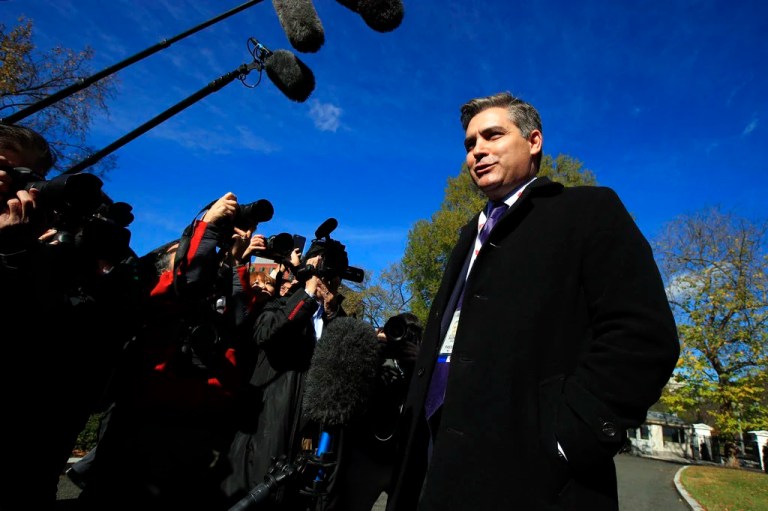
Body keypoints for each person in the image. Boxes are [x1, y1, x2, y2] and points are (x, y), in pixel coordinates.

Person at [386, 92, 680, 511]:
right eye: (470, 144)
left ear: (534, 140)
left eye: (492, 135)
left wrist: (568, 439)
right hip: (433, 462)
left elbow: (643, 337)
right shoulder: (468, 236)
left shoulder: (589, 211)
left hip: (533, 479)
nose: (477, 151)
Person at [0, 123, 142, 510]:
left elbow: (82, 347)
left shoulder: (42, 252)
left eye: (24, 178)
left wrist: (24, 256)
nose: (12, 190)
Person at [222, 234, 349, 510]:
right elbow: (267, 333)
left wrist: (330, 311)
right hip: (258, 450)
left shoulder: (337, 323)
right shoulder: (277, 304)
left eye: (335, 275)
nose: (329, 280)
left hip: (303, 458)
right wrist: (306, 292)